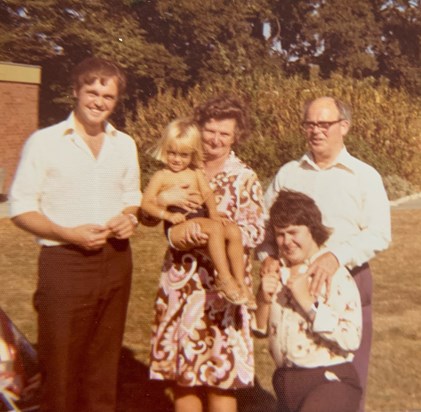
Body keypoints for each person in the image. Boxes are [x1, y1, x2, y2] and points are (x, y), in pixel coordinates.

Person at [9, 57, 141, 412]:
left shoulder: (124, 144)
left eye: (108, 96)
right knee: (61, 366)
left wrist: (130, 219)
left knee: (104, 366)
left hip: (116, 262)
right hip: (65, 265)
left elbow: (132, 199)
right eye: (92, 92)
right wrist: (67, 233)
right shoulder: (45, 142)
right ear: (75, 92)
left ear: (116, 101)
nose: (99, 101)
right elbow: (20, 208)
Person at [257, 96, 391, 412]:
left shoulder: (363, 176)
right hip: (293, 285)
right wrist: (269, 258)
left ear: (343, 127)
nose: (316, 131)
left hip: (347, 279)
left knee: (344, 376)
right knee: (294, 367)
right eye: (310, 124)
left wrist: (335, 257)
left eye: (324, 124)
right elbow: (264, 230)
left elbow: (379, 233)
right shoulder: (288, 173)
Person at [147, 94, 266, 412]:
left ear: (235, 136)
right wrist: (173, 229)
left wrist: (216, 231)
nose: (215, 139)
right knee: (184, 376)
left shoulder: (244, 178)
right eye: (210, 130)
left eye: (224, 133)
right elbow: (152, 215)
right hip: (183, 285)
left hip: (222, 291)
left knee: (220, 376)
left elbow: (255, 232)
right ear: (199, 129)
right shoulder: (180, 167)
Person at [254, 189, 362, 412]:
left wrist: (307, 301)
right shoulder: (277, 272)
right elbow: (259, 330)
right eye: (280, 234)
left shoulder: (333, 274)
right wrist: (263, 300)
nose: (287, 242)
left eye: (294, 233)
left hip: (329, 379)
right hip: (285, 381)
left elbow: (351, 338)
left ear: (312, 230)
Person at [142, 116, 255, 307]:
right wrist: (167, 214)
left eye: (184, 155)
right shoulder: (161, 176)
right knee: (215, 229)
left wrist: (214, 213)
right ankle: (224, 278)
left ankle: (240, 282)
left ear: (192, 154)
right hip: (176, 227)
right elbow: (146, 204)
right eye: (172, 153)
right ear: (164, 149)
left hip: (199, 220)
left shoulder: (195, 173)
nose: (177, 159)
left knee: (232, 230)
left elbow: (208, 194)